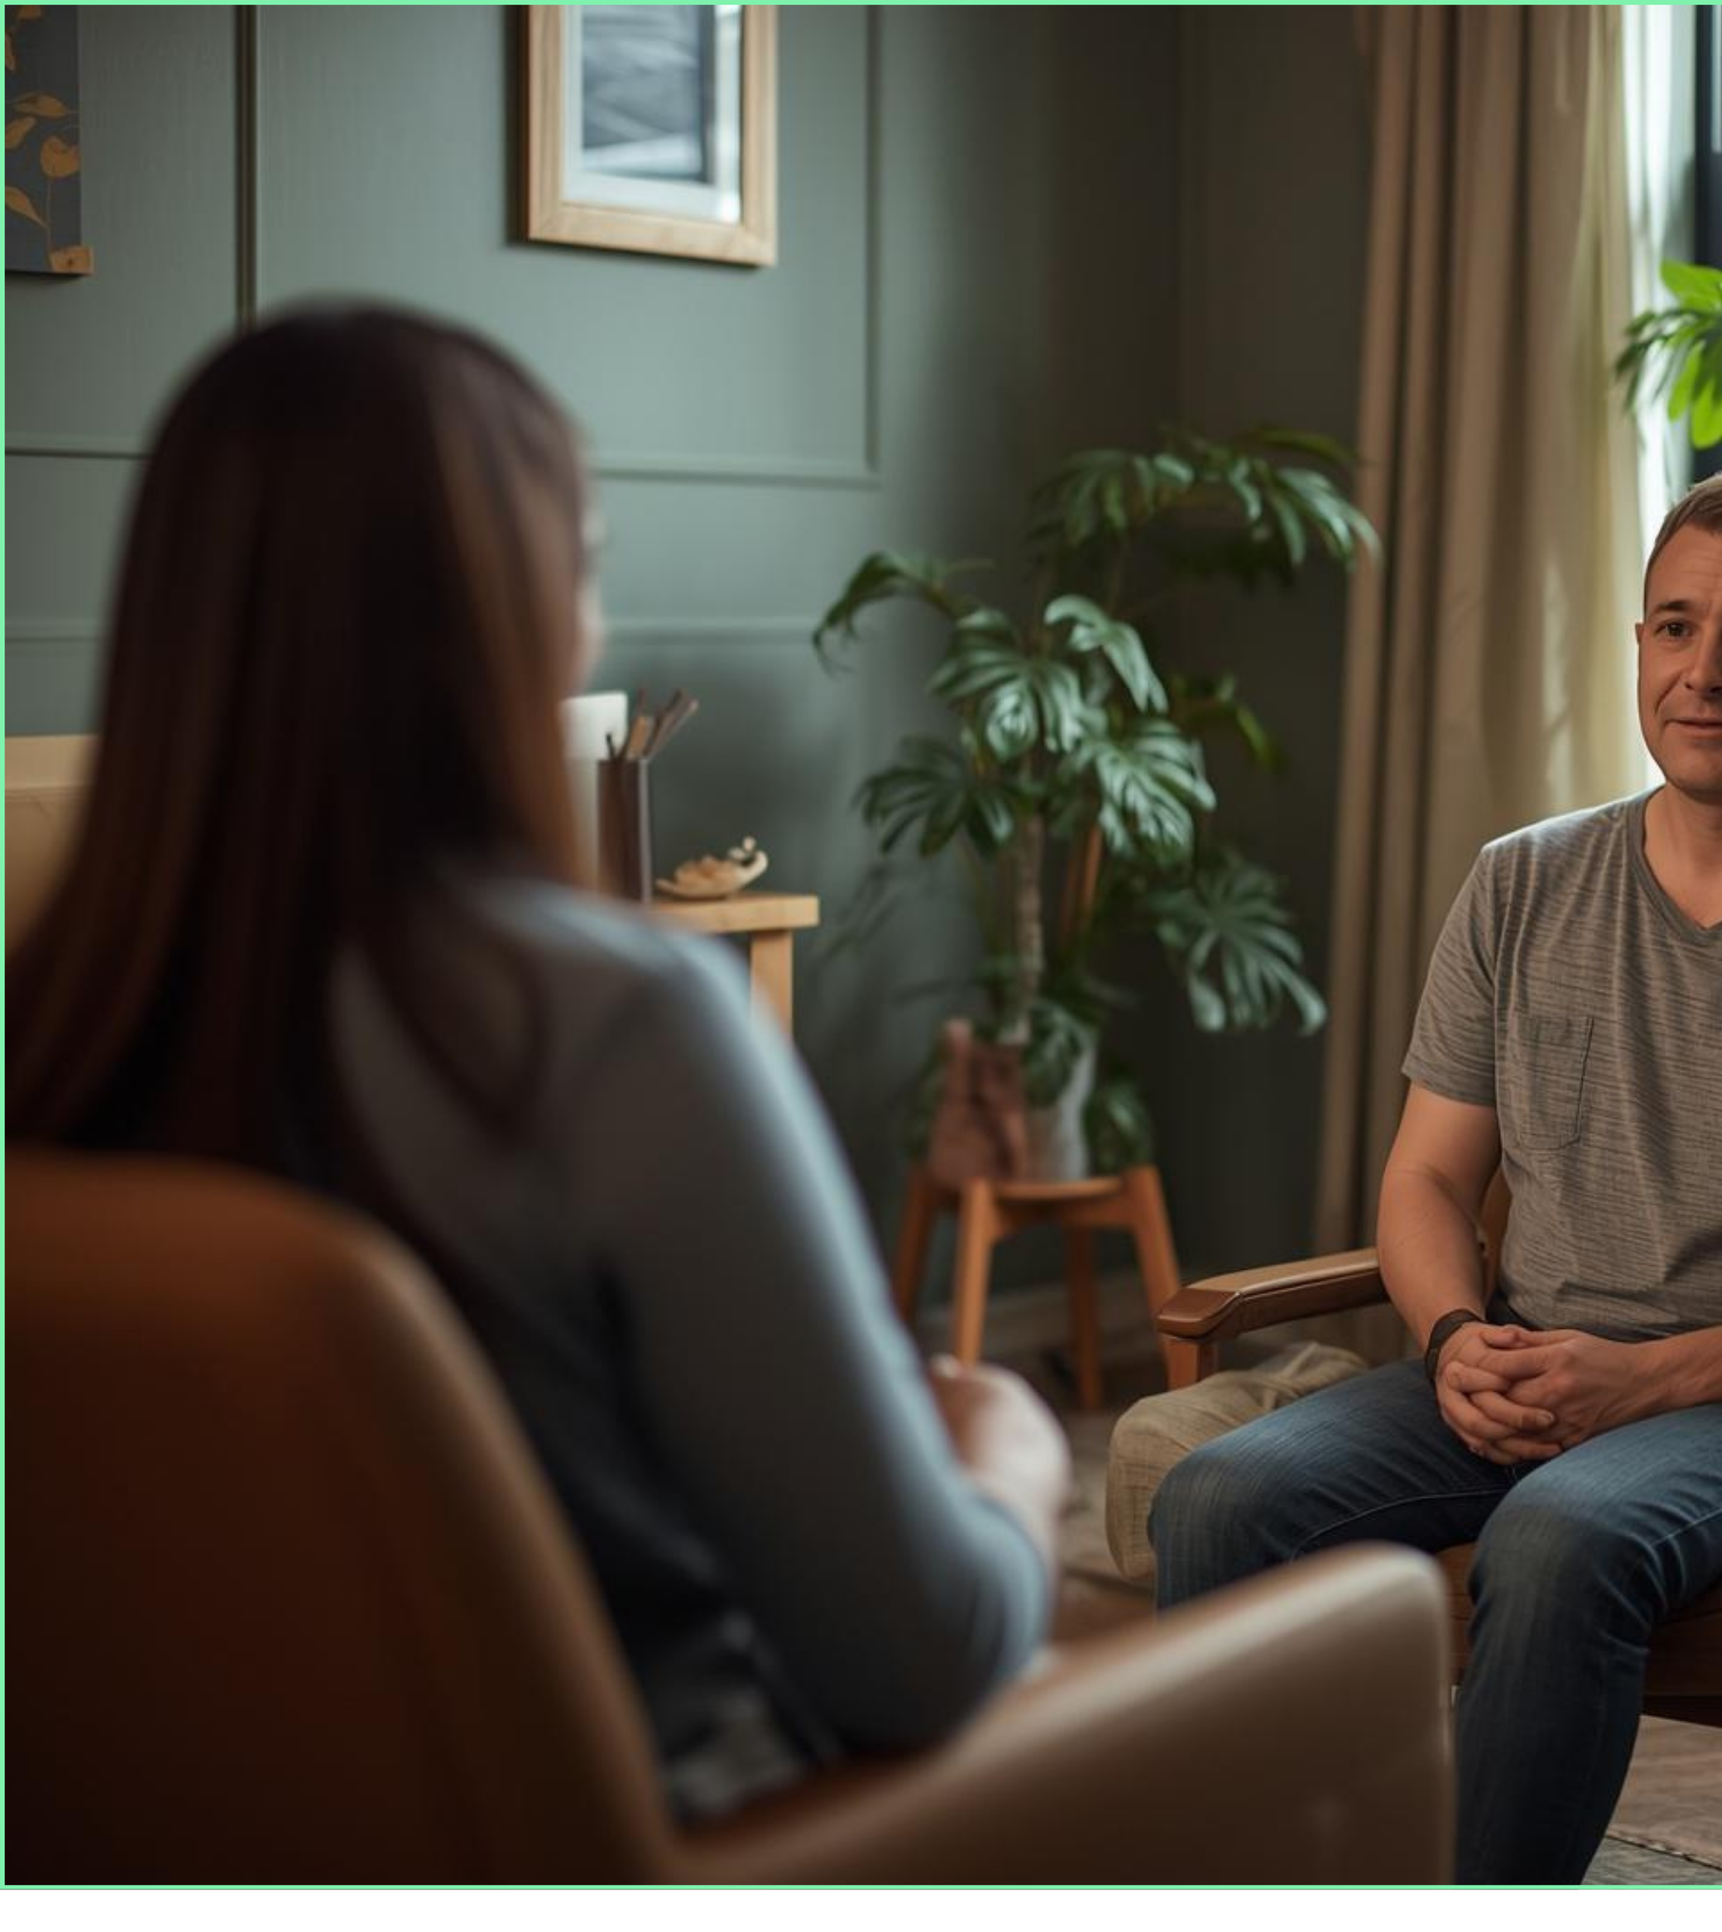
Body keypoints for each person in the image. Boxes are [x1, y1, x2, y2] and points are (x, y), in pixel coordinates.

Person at [6, 307, 1071, 1821]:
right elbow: (915, 1654)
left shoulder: (52, 1027)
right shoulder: (621, 1026)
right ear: (502, 619)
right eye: (582, 567)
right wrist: (1013, 1459)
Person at [1150, 470, 1722, 1883]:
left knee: (1563, 1536)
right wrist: (1453, 1340)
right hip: (1527, 1363)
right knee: (1216, 1497)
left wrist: (1650, 1380)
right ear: (1637, 644)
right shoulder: (1522, 882)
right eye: (1676, 626)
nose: (1706, 671)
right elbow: (1426, 1181)